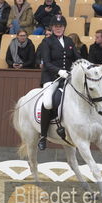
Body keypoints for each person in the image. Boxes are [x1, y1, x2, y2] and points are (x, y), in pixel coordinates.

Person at [38, 15, 81, 150]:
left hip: (67, 78)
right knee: (48, 102)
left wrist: (84, 66)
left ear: (64, 27)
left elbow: (77, 58)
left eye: (60, 26)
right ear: (52, 27)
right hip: (51, 78)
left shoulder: (69, 41)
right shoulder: (47, 42)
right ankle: (43, 135)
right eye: (56, 26)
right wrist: (59, 71)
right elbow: (46, 63)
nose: (58, 28)